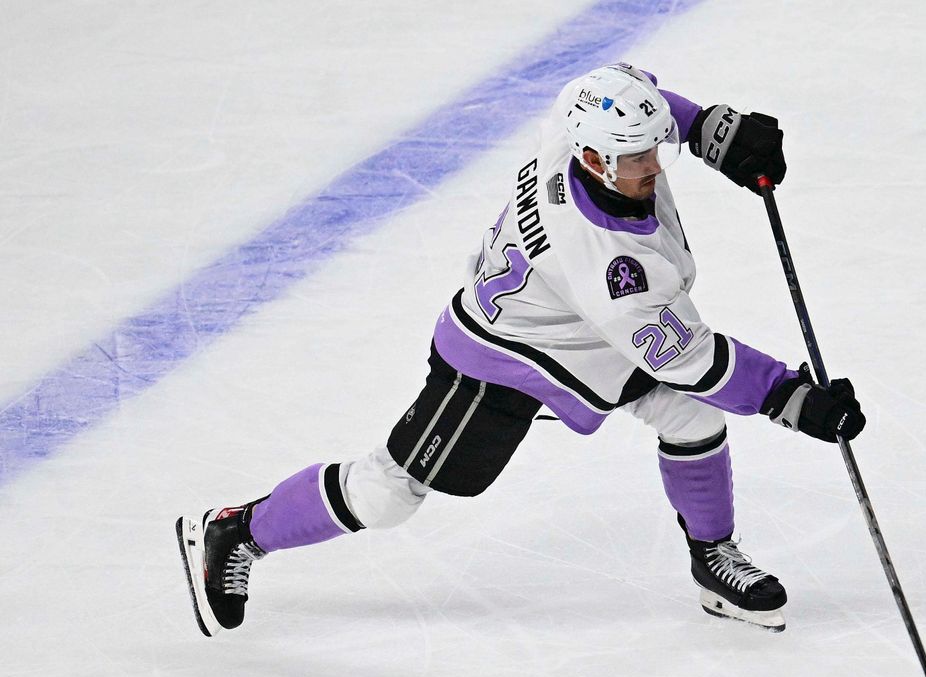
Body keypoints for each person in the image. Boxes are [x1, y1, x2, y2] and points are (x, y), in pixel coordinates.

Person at [175, 63, 865, 636]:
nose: (653, 165)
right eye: (635, 159)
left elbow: (642, 96)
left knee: (693, 420)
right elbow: (693, 360)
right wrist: (792, 399)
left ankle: (711, 558)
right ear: (593, 160)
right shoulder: (610, 268)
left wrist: (716, 132)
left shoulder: (576, 123)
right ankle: (239, 531)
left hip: (582, 333)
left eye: (656, 149)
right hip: (507, 356)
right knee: (389, 494)